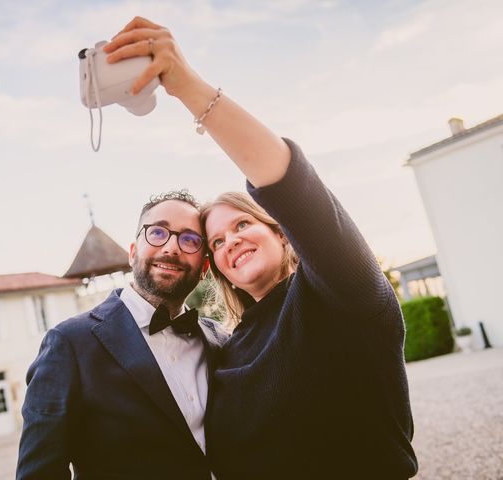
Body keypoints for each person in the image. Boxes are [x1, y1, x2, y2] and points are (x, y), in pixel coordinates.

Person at [104, 16, 418, 479]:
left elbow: (290, 184)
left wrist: (185, 85)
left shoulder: (338, 294)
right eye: (216, 242)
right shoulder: (226, 348)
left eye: (243, 224)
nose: (232, 241)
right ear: (217, 269)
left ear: (283, 233)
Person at [16, 190, 228, 480]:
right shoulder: (68, 344)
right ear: (132, 253)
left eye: (189, 240)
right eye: (157, 232)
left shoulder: (220, 341)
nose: (172, 247)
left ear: (204, 268)